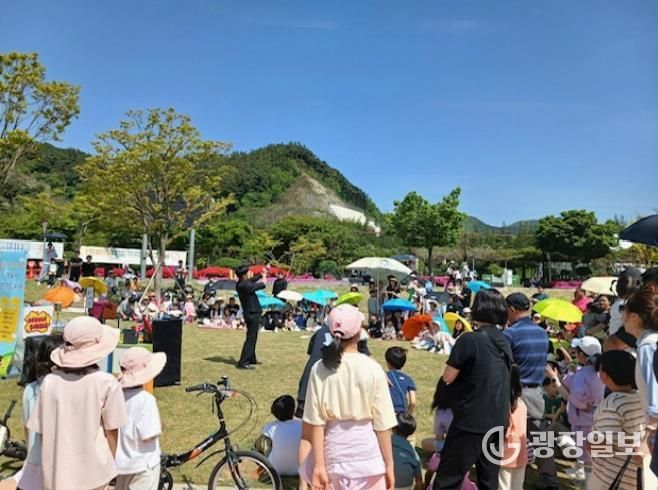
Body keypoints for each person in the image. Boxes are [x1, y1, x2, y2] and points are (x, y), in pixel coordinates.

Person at [301, 304, 397, 490]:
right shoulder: (372, 368)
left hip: (332, 454)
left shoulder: (320, 368)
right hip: (368, 457)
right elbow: (383, 424)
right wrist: (389, 464)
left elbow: (316, 422)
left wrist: (319, 465)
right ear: (359, 333)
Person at [27, 316, 128, 490]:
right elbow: (112, 430)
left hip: (58, 471)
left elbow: (42, 431)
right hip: (94, 472)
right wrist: (111, 463)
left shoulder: (49, 382)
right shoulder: (106, 383)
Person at [434, 289, 512, 489]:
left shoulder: (469, 339)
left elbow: (448, 377)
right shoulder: (504, 341)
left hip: (471, 420)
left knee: (448, 479)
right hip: (497, 420)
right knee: (488, 479)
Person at [0, 335, 65, 490]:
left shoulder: (30, 388)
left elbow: (27, 430)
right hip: (55, 465)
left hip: (33, 461)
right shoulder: (61, 390)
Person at [503, 292, 554, 488]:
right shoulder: (542, 333)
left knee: (510, 434)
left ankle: (509, 471)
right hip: (536, 391)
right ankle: (548, 477)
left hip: (515, 392)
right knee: (541, 436)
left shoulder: (510, 334)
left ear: (512, 309)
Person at [545, 336, 605, 482]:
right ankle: (584, 475)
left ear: (582, 355)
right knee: (591, 453)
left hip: (583, 419)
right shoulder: (598, 372)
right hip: (597, 417)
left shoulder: (582, 375)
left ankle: (586, 480)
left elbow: (576, 398)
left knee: (586, 454)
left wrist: (555, 379)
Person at [585, 350, 645, 489]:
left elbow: (603, 445)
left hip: (610, 478)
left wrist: (588, 444)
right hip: (634, 476)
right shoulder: (641, 397)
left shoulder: (613, 404)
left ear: (604, 375)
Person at [115, 347, 166, 490]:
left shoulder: (116, 395)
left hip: (122, 465)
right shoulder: (146, 400)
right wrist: (160, 425)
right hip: (143, 466)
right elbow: (148, 435)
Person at [623, 287, 658, 488]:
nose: (622, 316)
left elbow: (656, 399)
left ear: (635, 317)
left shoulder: (647, 347)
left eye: (625, 311)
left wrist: (646, 440)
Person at [256, 395, 302, 477]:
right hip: (300, 469)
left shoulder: (269, 427)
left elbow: (258, 448)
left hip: (275, 469)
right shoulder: (302, 425)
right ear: (293, 410)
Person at [498, 366, 528, 490]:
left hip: (505, 452)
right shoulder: (522, 404)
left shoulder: (502, 404)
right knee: (517, 486)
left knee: (503, 486)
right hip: (521, 452)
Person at [235, 265, 266, 369]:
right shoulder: (246, 285)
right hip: (252, 313)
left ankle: (251, 358)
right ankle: (243, 362)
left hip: (249, 313)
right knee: (251, 338)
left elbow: (252, 280)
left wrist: (261, 274)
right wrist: (264, 276)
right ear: (244, 275)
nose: (249, 274)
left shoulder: (240, 284)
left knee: (253, 336)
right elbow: (263, 285)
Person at [391, 413, 423, 490]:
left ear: (393, 428)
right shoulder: (413, 453)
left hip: (386, 484)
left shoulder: (385, 443)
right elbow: (419, 483)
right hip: (405, 487)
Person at [385, 347, 417, 415]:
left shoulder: (384, 377)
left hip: (388, 413)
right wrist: (407, 414)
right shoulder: (408, 379)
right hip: (402, 415)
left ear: (387, 362)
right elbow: (413, 402)